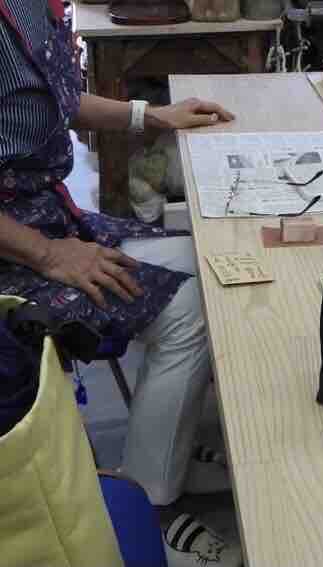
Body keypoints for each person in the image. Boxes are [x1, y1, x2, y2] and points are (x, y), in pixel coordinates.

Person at [1, 2, 241, 562]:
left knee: (208, 263)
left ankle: (167, 446)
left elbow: (55, 99)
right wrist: (47, 254)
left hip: (46, 219)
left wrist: (151, 116)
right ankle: (150, 506)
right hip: (18, 249)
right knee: (190, 308)